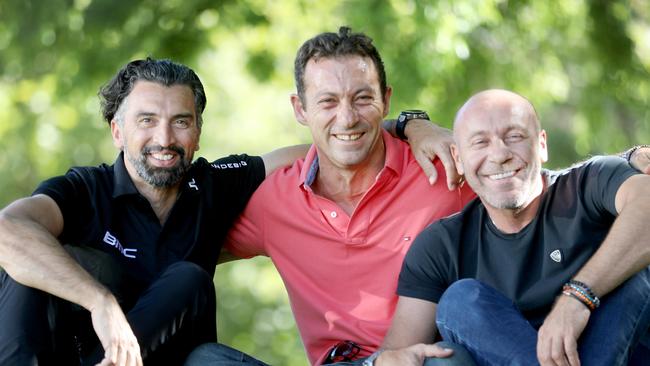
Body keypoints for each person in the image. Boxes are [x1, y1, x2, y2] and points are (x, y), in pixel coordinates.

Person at [185, 27, 479, 366]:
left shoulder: (441, 174)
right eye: (328, 101)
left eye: (362, 98)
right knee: (205, 360)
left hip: (416, 361)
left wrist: (559, 300)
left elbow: (533, 207)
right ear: (300, 109)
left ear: (386, 100)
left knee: (449, 361)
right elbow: (188, 247)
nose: (347, 117)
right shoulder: (274, 201)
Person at [0, 58, 308, 365]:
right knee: (25, 258)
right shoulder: (87, 189)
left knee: (189, 278)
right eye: (147, 120)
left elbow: (313, 155)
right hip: (73, 354)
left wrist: (347, 135)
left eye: (181, 121)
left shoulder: (212, 185)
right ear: (117, 131)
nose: (164, 139)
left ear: (198, 134)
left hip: (169, 358)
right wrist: (100, 302)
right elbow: (7, 229)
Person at [379, 89, 650, 365]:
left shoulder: (589, 183)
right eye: (480, 142)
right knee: (459, 301)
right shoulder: (441, 245)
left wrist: (578, 297)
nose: (499, 154)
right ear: (458, 158)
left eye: (514, 137)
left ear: (542, 144)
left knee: (634, 267)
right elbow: (399, 352)